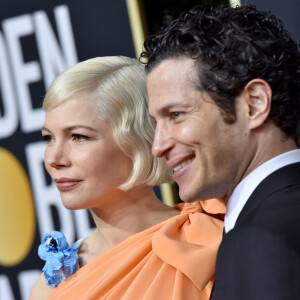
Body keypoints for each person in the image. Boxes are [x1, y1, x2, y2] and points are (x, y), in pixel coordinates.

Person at [29, 56, 225, 300]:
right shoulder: (49, 287)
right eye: (49, 138)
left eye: (79, 137)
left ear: (140, 140)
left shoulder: (208, 243)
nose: (54, 159)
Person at [142, 4, 300, 300]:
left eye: (176, 115)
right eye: (156, 123)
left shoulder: (260, 239)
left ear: (253, 104)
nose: (158, 146)